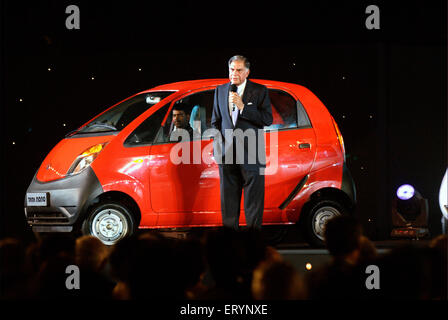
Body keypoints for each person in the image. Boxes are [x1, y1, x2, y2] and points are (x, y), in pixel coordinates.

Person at [211, 55, 273, 230]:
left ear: (247, 72)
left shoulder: (260, 90)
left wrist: (243, 107)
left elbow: (267, 119)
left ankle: (253, 241)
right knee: (228, 202)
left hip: (252, 154)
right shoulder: (220, 90)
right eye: (231, 69)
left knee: (253, 203)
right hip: (227, 155)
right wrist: (219, 149)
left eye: (238, 70)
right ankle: (231, 242)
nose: (234, 74)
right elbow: (215, 122)